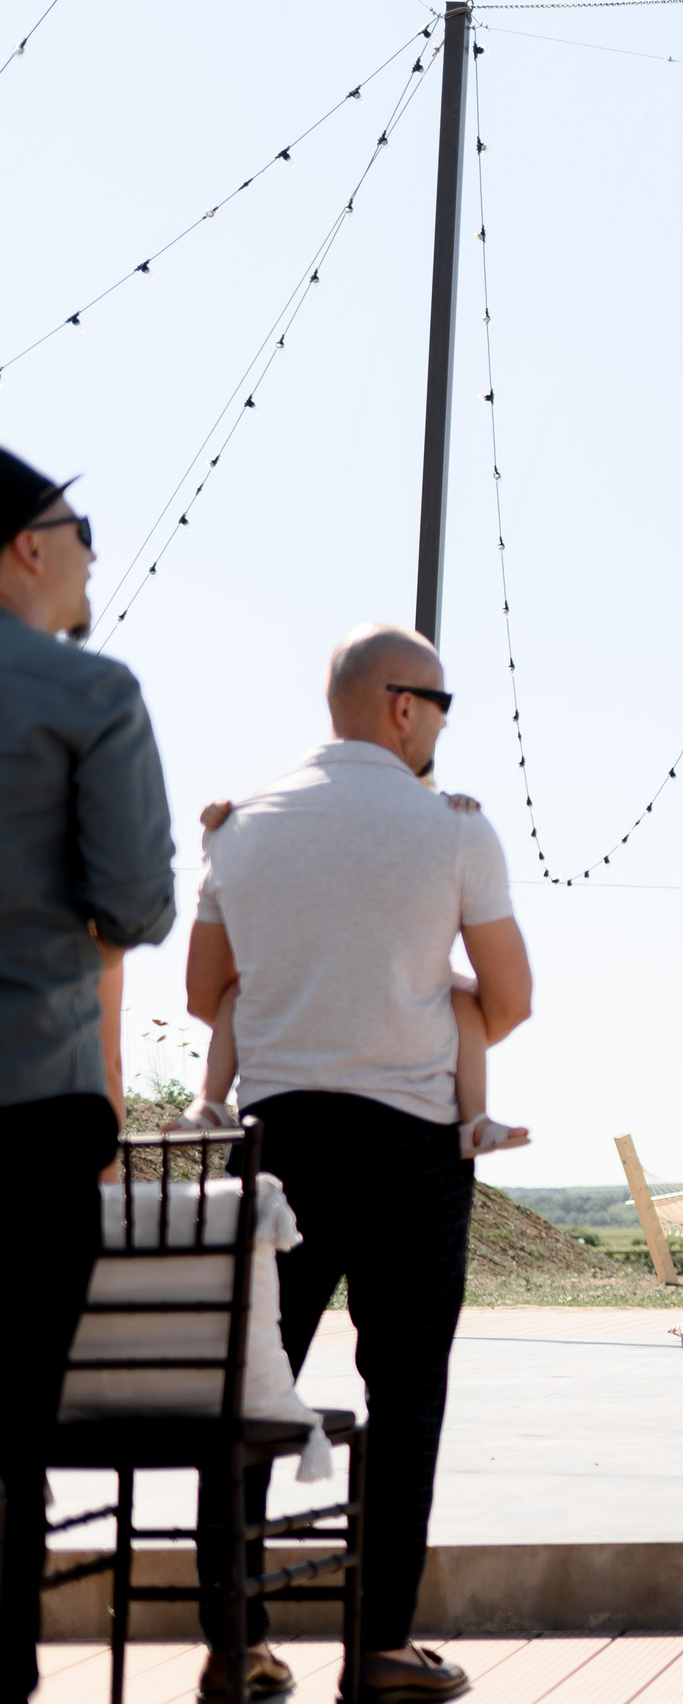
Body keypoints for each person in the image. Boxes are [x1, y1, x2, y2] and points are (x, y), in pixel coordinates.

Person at [184, 624, 532, 1704]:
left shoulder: (240, 830)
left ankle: (235, 1645)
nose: (440, 722)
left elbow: (207, 994)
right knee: (407, 1392)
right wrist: (445, 1010)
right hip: (409, 1147)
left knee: (245, 1393)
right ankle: (379, 1646)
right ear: (399, 706)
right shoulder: (453, 832)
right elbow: (512, 999)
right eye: (441, 702)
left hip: (274, 1145)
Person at [0, 450, 174, 1704]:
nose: (92, 556)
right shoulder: (90, 695)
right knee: (14, 1428)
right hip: (30, 1107)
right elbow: (136, 903)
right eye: (81, 530)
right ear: (26, 547)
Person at [176, 795, 526, 1154]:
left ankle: (475, 1119)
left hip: (378, 996)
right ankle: (210, 1103)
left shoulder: (397, 849)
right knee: (239, 993)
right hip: (348, 1008)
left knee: (461, 999)